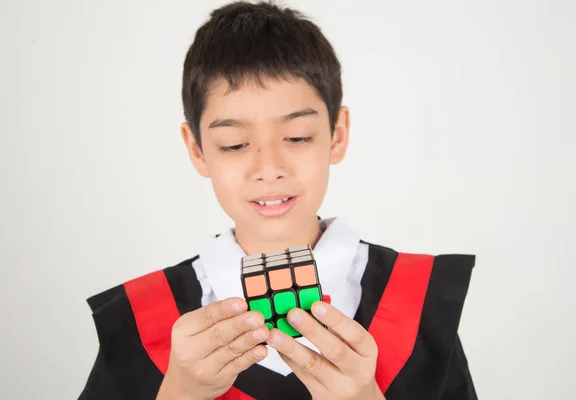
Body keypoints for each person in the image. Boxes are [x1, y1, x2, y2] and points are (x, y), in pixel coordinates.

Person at [78, 1, 477, 399]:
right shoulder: (146, 321)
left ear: (337, 134)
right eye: (233, 144)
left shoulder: (418, 306)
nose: (268, 168)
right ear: (198, 149)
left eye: (298, 137)